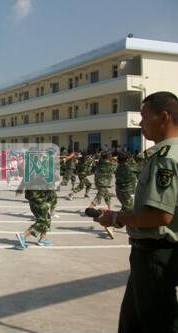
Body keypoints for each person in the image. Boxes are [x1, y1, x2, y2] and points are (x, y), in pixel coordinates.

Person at [93, 91, 178, 333]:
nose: (139, 123)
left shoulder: (165, 158)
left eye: (143, 116)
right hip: (154, 254)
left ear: (163, 117)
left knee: (156, 322)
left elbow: (160, 216)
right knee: (133, 321)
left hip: (155, 253)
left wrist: (116, 218)